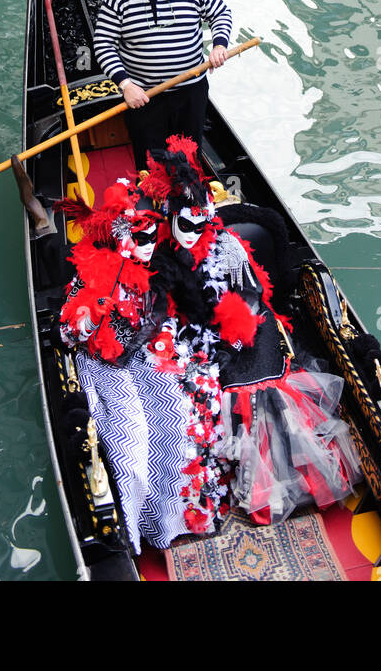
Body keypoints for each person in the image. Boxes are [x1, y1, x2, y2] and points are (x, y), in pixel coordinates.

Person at [145, 137, 362, 525]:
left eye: (201, 223)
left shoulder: (228, 247)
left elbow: (252, 294)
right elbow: (161, 305)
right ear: (172, 218)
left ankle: (287, 481)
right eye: (185, 224)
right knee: (197, 383)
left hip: (246, 326)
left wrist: (234, 328)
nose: (194, 232)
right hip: (194, 334)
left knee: (256, 384)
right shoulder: (161, 256)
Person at [59, 175, 228, 547]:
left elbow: (161, 308)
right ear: (122, 239)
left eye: (154, 236)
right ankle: (134, 533)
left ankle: (177, 518)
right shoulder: (93, 274)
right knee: (131, 440)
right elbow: (67, 334)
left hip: (145, 351)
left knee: (189, 402)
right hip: (104, 365)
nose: (150, 245)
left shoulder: (151, 265)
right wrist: (91, 316)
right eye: (141, 238)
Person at [93, 0, 233, 168]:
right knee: (150, 164)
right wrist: (126, 85)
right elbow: (103, 44)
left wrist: (219, 45)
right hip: (145, 97)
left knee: (189, 157)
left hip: (191, 91)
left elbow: (220, 13)